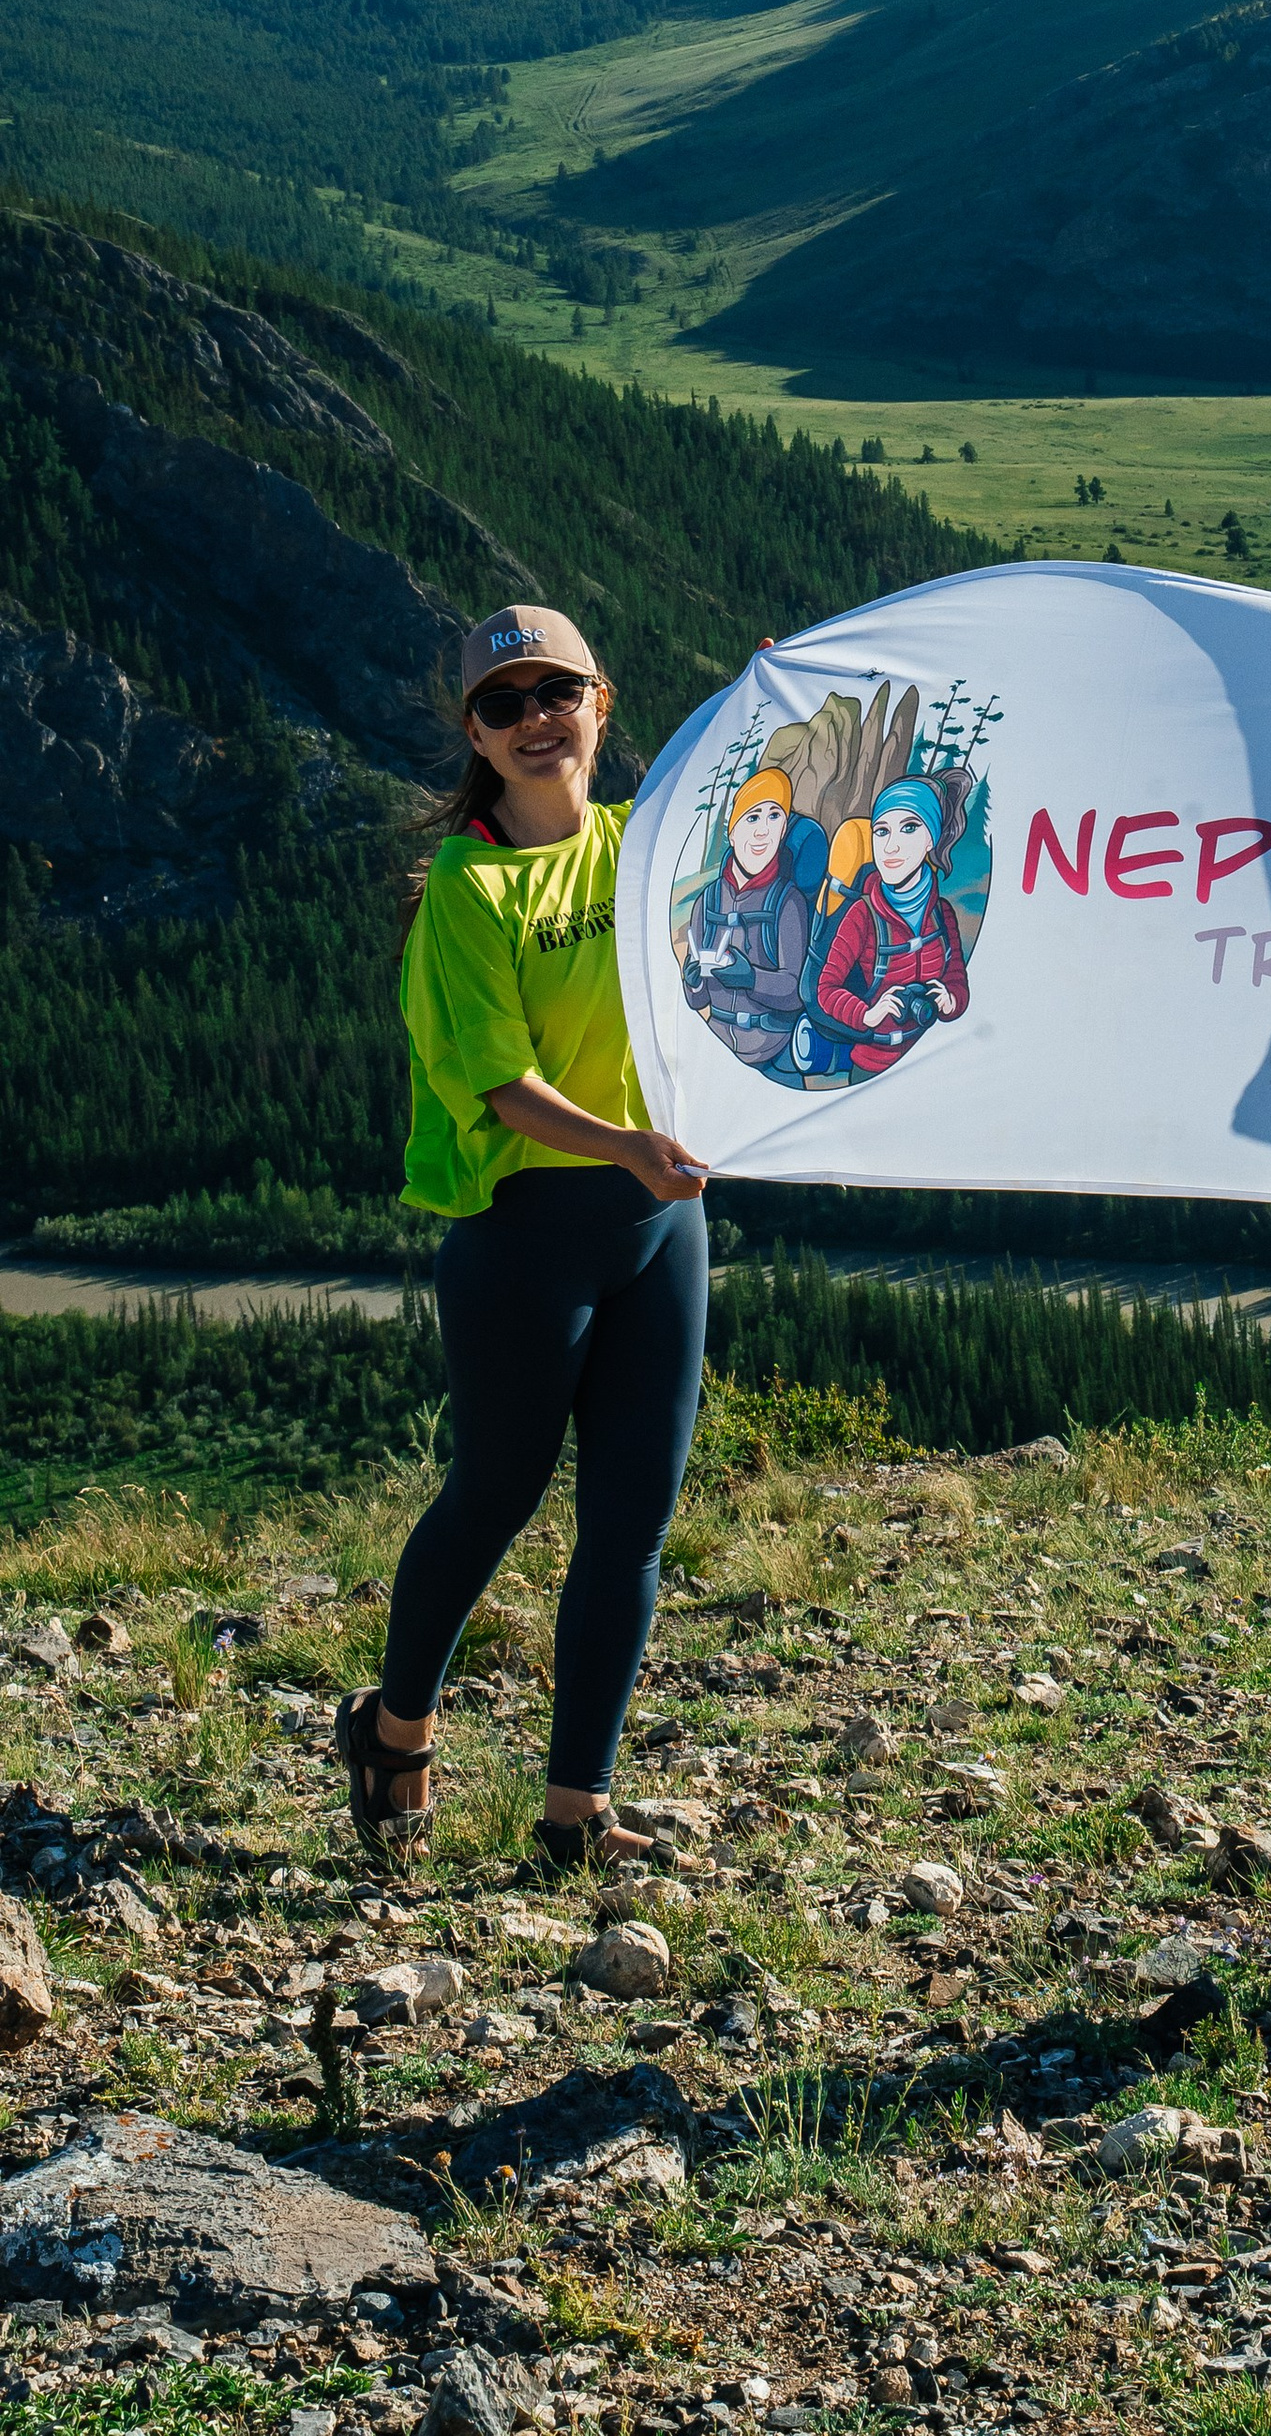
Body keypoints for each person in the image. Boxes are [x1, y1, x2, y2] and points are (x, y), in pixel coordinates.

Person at [335, 605, 711, 1870]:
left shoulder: (644, 846)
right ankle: (394, 1733)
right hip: (528, 1229)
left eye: (557, 692)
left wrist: (778, 703)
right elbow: (499, 1086)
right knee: (495, 1493)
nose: (536, 719)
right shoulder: (467, 890)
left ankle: (577, 1813)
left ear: (602, 701)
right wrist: (629, 1152)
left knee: (632, 1518)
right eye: (505, 704)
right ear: (477, 739)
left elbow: (779, 873)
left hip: (659, 1223)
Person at [798, 773, 972, 1080]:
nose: (891, 847)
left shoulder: (942, 914)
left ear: (930, 838)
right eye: (881, 831)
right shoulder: (862, 915)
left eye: (909, 828)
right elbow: (826, 989)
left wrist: (951, 1000)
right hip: (873, 1067)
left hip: (935, 1059)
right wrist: (867, 1014)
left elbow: (956, 978)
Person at [681, 766, 815, 1084]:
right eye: (752, 818)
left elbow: (796, 990)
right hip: (716, 1055)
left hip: (775, 1056)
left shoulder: (788, 901)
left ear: (784, 830)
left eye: (774, 817)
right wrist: (693, 981)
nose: (763, 832)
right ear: (733, 831)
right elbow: (696, 1001)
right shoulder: (708, 901)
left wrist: (750, 978)